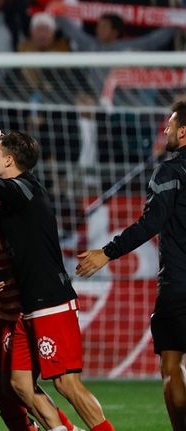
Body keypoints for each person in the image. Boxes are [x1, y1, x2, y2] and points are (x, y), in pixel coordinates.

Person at [0, 131, 114, 431]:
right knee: (19, 383)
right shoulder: (16, 199)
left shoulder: (24, 187)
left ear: (9, 160)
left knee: (66, 383)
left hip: (51, 300)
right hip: (26, 304)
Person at [77, 101, 186, 430]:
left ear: (183, 132)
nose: (164, 131)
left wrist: (106, 253)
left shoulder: (170, 171)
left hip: (179, 285)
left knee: (171, 364)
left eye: (169, 126)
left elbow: (150, 223)